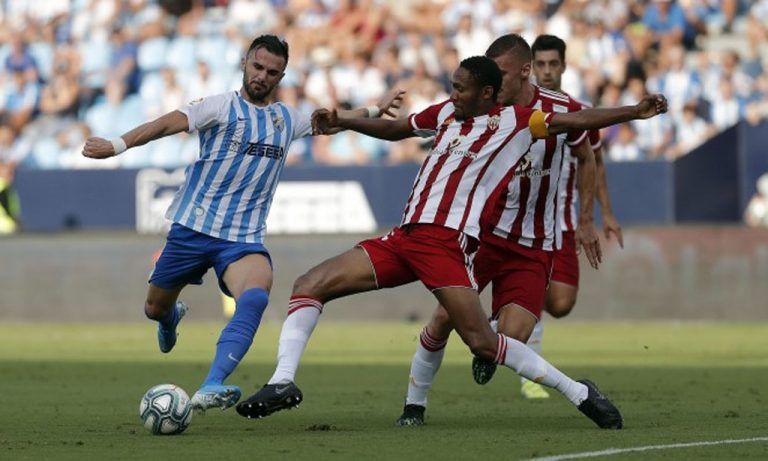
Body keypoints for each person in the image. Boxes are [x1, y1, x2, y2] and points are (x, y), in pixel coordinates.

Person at [235, 55, 667, 423]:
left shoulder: (516, 122)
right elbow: (399, 128)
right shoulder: (445, 114)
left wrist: (633, 111)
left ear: (487, 94)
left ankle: (579, 393)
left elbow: (576, 120)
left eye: (460, 89)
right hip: (404, 239)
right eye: (452, 86)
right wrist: (346, 122)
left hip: (446, 243)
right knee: (309, 284)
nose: (452, 94)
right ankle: (282, 382)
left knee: (482, 342)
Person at [82, 35, 402, 412]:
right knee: (154, 307)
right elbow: (166, 124)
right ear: (244, 63)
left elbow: (331, 121)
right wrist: (116, 145)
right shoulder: (218, 107)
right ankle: (169, 318)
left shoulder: (287, 119)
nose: (262, 76)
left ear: (281, 76)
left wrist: (373, 110)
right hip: (193, 229)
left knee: (255, 295)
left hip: (241, 239)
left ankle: (212, 383)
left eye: (272, 72)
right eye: (257, 67)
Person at [393, 34, 616, 428]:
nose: (495, 84)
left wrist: (585, 220)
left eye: (503, 74)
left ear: (525, 71)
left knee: (508, 344)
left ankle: (490, 342)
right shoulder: (483, 107)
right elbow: (417, 127)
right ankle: (414, 406)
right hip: (486, 238)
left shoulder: (561, 109)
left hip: (535, 244)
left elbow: (586, 153)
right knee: (444, 318)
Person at [507, 34, 626, 400]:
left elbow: (596, 161)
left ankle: (507, 320)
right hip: (515, 223)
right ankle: (527, 367)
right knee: (532, 295)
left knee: (561, 303)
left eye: (552, 64)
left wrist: (603, 213)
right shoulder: (515, 108)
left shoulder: (578, 111)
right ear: (531, 67)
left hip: (561, 223)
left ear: (563, 65)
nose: (546, 71)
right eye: (539, 64)